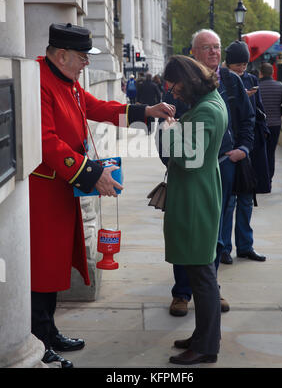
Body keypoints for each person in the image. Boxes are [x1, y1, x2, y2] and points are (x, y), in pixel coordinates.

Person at [29, 23, 175, 368]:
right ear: (61, 55)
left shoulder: (65, 79)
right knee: (40, 268)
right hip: (42, 192)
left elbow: (96, 107)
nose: (86, 64)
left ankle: (47, 331)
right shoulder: (38, 80)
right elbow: (46, 141)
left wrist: (144, 112)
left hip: (60, 189)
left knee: (51, 267)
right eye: (82, 57)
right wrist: (93, 173)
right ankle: (36, 340)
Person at [167, 29, 255, 318]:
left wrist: (243, 147)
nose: (214, 52)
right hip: (190, 166)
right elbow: (169, 122)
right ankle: (182, 293)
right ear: (194, 53)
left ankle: (209, 288)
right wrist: (169, 153)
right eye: (207, 47)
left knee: (213, 231)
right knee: (186, 231)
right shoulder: (180, 81)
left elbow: (248, 116)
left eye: (217, 47)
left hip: (222, 162)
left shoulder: (231, 81)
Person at [161, 55, 228, 365]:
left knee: (201, 273)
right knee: (199, 269)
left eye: (175, 89)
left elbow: (189, 159)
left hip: (195, 196)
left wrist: (169, 130)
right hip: (198, 191)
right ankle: (203, 335)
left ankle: (206, 345)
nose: (174, 95)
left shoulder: (205, 112)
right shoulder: (209, 103)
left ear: (188, 81)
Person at [220, 40, 269, 265]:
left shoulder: (250, 80)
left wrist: (246, 148)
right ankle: (224, 248)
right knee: (229, 202)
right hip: (228, 150)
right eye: (237, 64)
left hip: (245, 149)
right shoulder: (221, 81)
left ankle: (245, 246)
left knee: (246, 199)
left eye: (244, 64)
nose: (241, 68)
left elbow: (255, 114)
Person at [258, 63, 282, 183]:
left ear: (260, 73)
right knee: (271, 152)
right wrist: (279, 113)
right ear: (272, 73)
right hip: (275, 124)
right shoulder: (281, 86)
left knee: (260, 152)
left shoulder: (257, 87)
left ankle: (260, 178)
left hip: (260, 125)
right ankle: (269, 179)